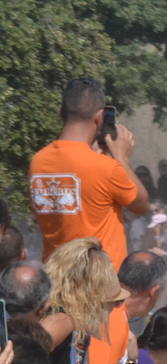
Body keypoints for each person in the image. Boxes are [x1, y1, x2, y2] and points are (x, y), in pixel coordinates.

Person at [29, 78, 150, 266]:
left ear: (62, 114)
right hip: (99, 282)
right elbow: (141, 205)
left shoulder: (37, 162)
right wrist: (121, 157)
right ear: (100, 117)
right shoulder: (105, 167)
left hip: (57, 279)